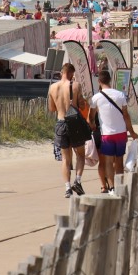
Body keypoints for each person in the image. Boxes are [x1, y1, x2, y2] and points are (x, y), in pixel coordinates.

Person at [91, 70, 138, 194]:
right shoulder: (120, 95)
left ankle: (111, 187)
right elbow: (126, 116)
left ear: (99, 82)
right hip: (121, 133)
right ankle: (120, 185)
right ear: (110, 80)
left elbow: (90, 117)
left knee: (107, 161)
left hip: (106, 134)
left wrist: (92, 126)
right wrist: (132, 132)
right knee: (119, 161)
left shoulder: (96, 98)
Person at [47, 63, 90, 198]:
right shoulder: (75, 85)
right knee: (81, 155)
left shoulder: (52, 87)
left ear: (62, 72)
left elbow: (52, 108)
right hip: (74, 124)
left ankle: (67, 188)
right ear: (71, 73)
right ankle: (77, 181)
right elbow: (81, 105)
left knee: (66, 158)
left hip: (61, 123)